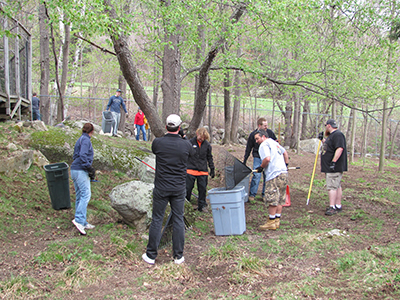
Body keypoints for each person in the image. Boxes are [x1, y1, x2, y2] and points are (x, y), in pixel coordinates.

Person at [143, 114, 193, 265]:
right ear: (179, 128)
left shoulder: (158, 143)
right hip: (178, 188)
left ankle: (151, 255)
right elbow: (191, 153)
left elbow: (156, 149)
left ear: (166, 127)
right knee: (178, 219)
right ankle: (178, 255)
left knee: (157, 219)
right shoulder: (186, 145)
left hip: (161, 187)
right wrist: (183, 136)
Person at [254, 129, 289, 230]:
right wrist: (286, 165)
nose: (256, 141)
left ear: (263, 137)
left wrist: (261, 167)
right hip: (283, 173)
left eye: (257, 138)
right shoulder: (275, 143)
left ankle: (271, 221)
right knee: (280, 197)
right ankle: (277, 220)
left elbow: (267, 159)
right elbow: (285, 153)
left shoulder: (264, 145)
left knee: (272, 197)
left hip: (274, 174)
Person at [70, 123, 96, 235]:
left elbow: (75, 155)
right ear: (91, 131)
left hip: (74, 170)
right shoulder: (86, 140)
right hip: (80, 170)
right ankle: (79, 220)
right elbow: (82, 155)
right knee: (86, 194)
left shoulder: (80, 139)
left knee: (80, 195)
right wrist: (88, 167)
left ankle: (83, 221)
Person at [243, 118, 277, 203]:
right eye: (264, 125)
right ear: (259, 126)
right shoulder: (253, 135)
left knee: (267, 175)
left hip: (267, 157)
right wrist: (245, 160)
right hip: (257, 157)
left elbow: (276, 144)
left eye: (267, 125)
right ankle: (252, 194)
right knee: (256, 175)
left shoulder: (270, 133)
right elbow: (248, 148)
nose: (266, 127)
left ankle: (265, 194)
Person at [319, 119, 348, 216]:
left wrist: (333, 162)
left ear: (328, 126)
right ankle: (337, 205)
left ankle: (332, 207)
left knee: (331, 186)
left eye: (326, 125)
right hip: (329, 166)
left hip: (334, 167)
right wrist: (322, 140)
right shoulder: (331, 136)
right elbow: (330, 147)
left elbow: (339, 148)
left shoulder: (338, 135)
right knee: (337, 186)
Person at [186, 127, 215, 212]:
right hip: (190, 170)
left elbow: (209, 157)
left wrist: (212, 168)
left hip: (202, 171)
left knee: (202, 189)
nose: (202, 139)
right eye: (201, 137)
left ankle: (201, 206)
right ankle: (186, 205)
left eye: (204, 138)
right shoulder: (190, 143)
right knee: (187, 189)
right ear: (197, 133)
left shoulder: (207, 145)